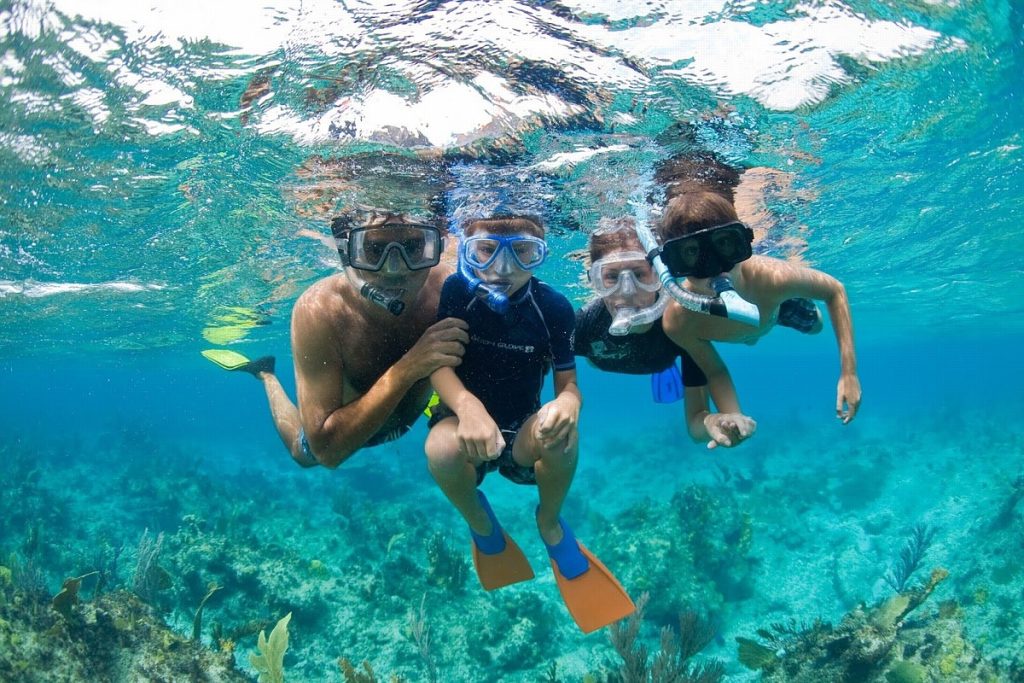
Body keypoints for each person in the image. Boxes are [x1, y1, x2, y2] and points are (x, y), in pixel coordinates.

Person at [423, 214, 634, 633]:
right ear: (467, 250)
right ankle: (482, 524)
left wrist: (570, 403)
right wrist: (466, 407)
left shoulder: (553, 308)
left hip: (521, 431)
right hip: (463, 425)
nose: (503, 269)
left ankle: (550, 522)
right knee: (438, 450)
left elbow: (568, 384)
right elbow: (438, 365)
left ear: (541, 253)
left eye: (522, 253)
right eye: (485, 251)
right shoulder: (456, 292)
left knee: (564, 437)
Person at [204, 199, 471, 468]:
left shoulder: (449, 287)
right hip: (346, 436)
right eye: (374, 249)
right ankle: (265, 373)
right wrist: (409, 369)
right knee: (303, 454)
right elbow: (326, 452)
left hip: (411, 417)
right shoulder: (321, 309)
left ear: (435, 245)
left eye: (412, 248)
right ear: (347, 254)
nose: (394, 268)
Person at [656, 190, 862, 424]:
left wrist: (849, 373)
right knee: (752, 338)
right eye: (691, 252)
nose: (713, 266)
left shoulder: (773, 280)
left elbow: (835, 290)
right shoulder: (679, 320)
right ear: (672, 263)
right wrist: (733, 416)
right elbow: (715, 371)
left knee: (817, 326)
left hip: (776, 308)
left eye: (723, 243)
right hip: (754, 324)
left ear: (741, 242)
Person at [574, 217, 757, 449]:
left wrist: (713, 420)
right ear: (595, 280)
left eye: (640, 275)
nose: (627, 291)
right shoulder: (584, 324)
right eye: (611, 277)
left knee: (755, 335)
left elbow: (696, 424)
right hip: (600, 360)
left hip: (662, 360)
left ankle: (783, 312)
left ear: (660, 277)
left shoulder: (679, 324)